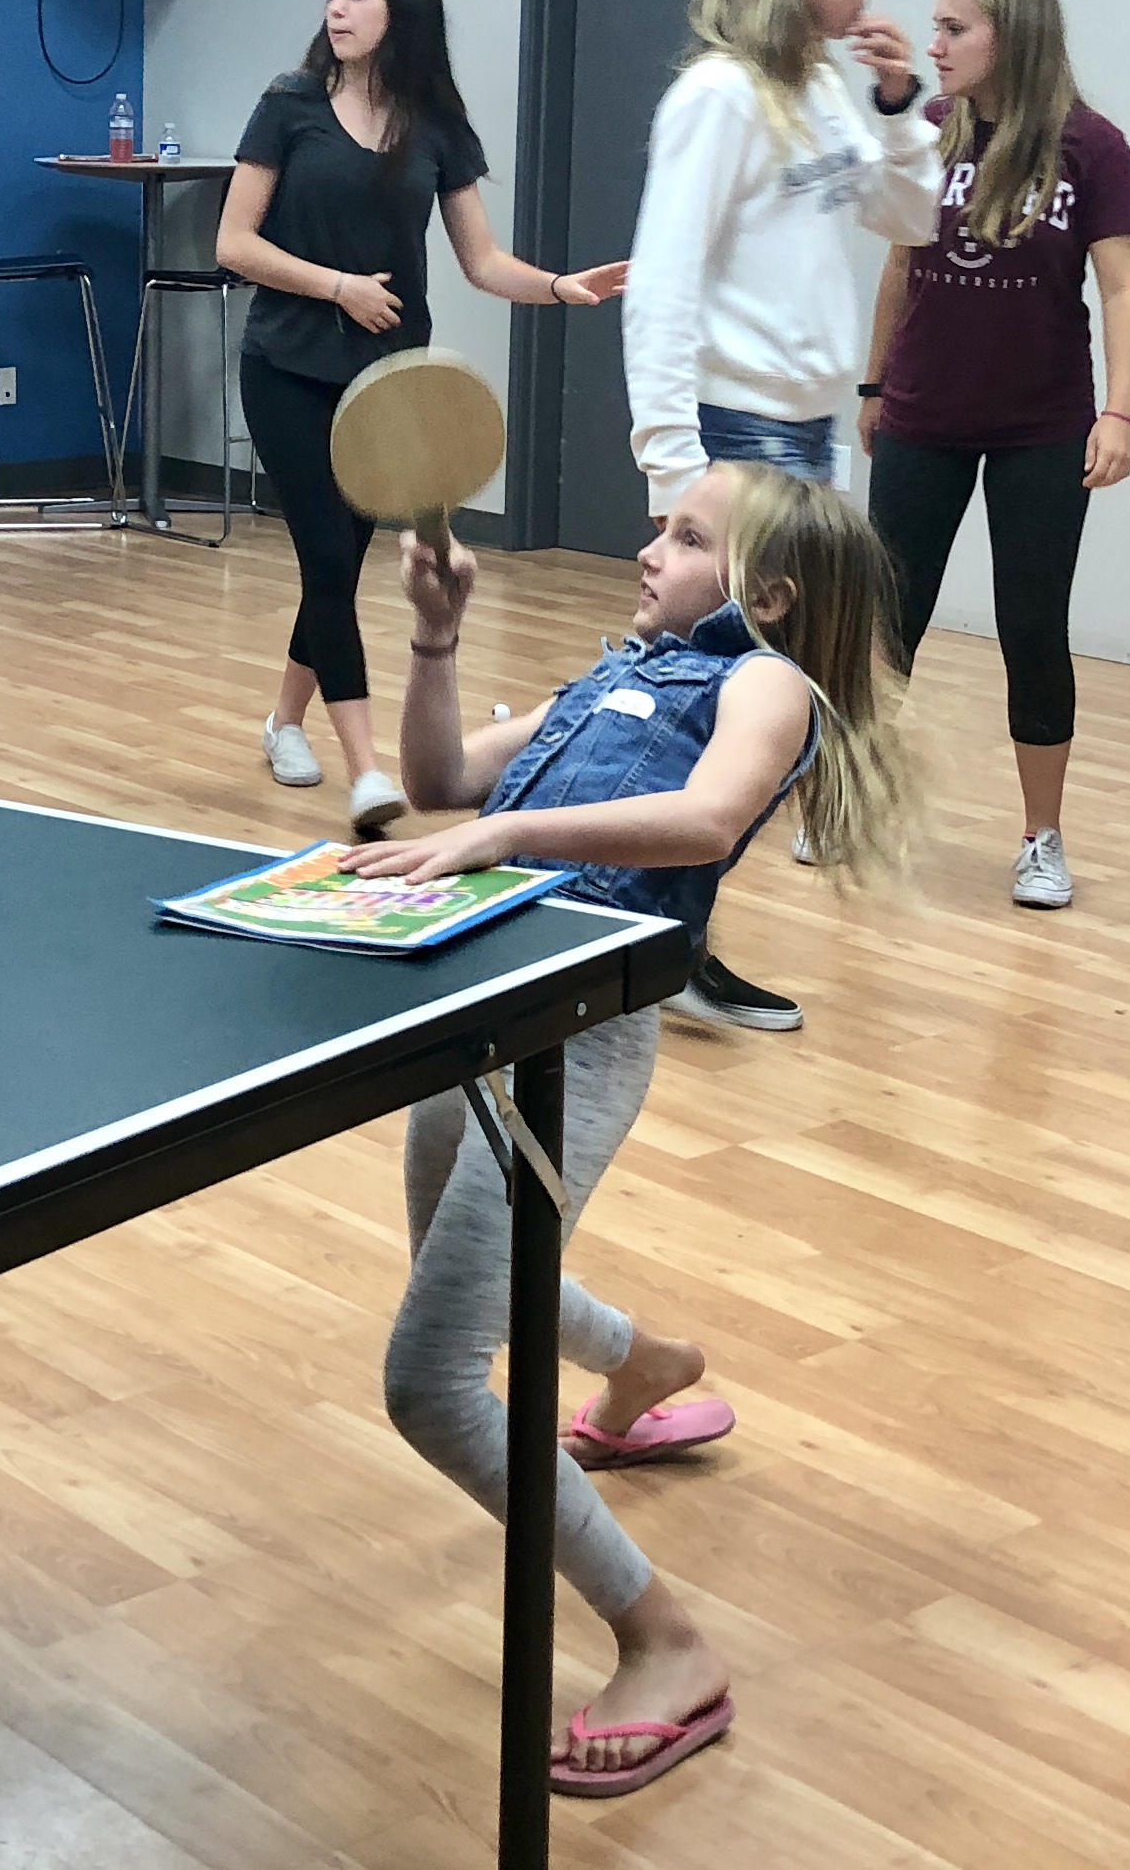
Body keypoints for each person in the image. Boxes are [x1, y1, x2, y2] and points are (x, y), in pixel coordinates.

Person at [340, 461, 912, 1794]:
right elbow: (437, 777)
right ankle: (649, 1362)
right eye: (659, 525)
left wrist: (506, 836)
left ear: (769, 592)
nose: (649, 548)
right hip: (471, 1004)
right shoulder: (616, 672)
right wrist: (435, 636)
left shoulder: (765, 684)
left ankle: (668, 1644)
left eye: (686, 535)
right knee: (465, 1284)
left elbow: (704, 819)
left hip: (574, 1037)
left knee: (430, 1380)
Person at [622, 0, 943, 1029]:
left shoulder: (819, 86)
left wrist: (900, 110)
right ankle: (659, 941)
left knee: (781, 704)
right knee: (719, 702)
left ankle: (670, 937)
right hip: (733, 434)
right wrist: (674, 470)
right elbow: (661, 283)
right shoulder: (717, 96)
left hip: (805, 434)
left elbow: (909, 217)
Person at [217, 0, 624, 832]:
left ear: (400, 9)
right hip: (286, 367)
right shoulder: (287, 106)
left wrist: (561, 286)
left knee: (337, 562)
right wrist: (338, 287)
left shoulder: (437, 127)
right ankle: (368, 773)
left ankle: (285, 719)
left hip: (389, 384)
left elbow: (482, 262)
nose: (336, 7)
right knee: (328, 560)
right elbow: (234, 243)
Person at [860, 0, 1130, 910]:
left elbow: (1125, 289)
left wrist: (1120, 412)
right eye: (936, 27)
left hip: (1043, 424)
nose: (936, 44)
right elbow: (900, 265)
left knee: (1031, 626)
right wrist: (874, 384)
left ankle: (1041, 838)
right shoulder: (930, 130)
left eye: (956, 29)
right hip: (924, 414)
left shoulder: (1091, 146)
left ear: (1011, 37)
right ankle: (850, 802)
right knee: (887, 619)